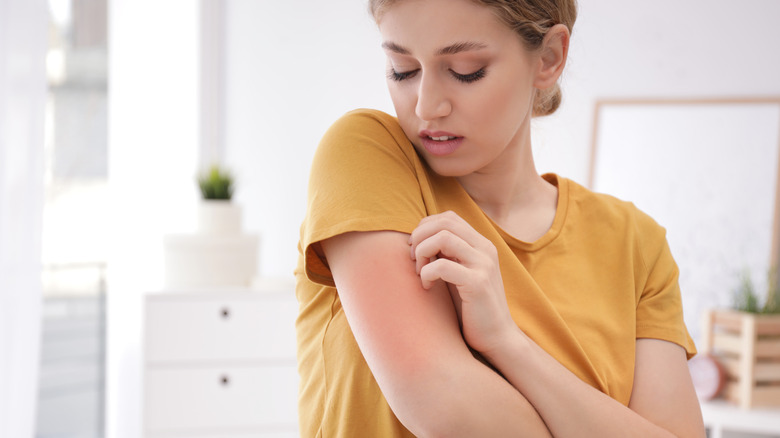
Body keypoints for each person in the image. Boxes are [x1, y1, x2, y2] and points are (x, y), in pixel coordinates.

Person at [294, 0, 705, 436]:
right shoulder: (366, 157)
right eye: (402, 69)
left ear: (548, 58)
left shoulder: (634, 242)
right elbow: (444, 406)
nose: (427, 106)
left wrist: (507, 343)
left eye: (466, 70)